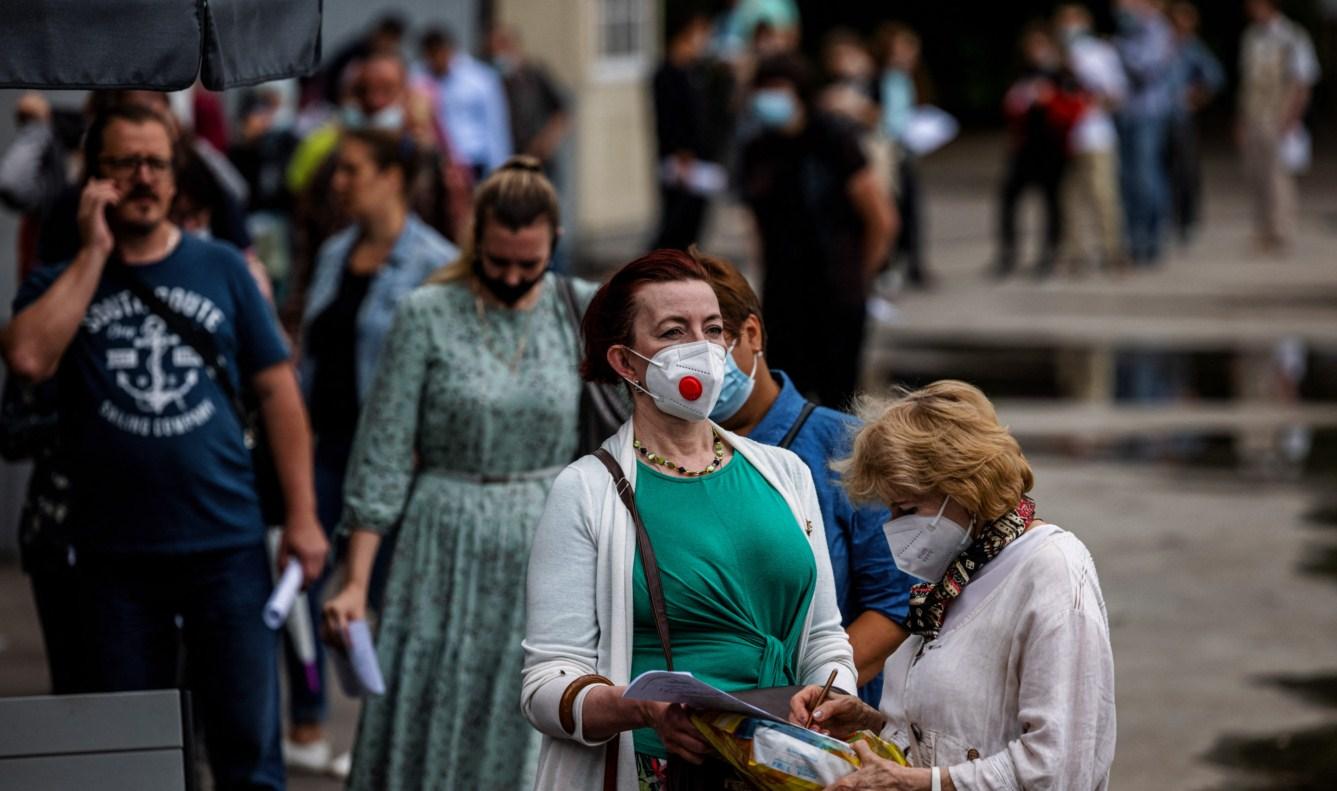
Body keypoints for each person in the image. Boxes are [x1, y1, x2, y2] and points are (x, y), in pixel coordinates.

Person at [0, 103, 328, 791]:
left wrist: (301, 516)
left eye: (157, 163)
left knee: (248, 755)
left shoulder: (224, 269)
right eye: (125, 164)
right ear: (97, 178)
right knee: (130, 759)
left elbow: (278, 395)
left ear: (178, 176)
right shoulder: (61, 278)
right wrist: (93, 252)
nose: (144, 178)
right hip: (111, 560)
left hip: (227, 547)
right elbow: (29, 356)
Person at [521, 248, 857, 790]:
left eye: (713, 328)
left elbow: (823, 637)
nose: (700, 349)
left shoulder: (786, 474)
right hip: (660, 773)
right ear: (626, 363)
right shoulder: (585, 490)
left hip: (782, 768)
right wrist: (642, 709)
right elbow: (546, 683)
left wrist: (833, 698)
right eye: (673, 332)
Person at [321, 157, 585, 790]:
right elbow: (382, 452)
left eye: (531, 263)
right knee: (436, 696)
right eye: (499, 262)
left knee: (535, 702)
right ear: (476, 241)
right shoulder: (425, 312)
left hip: (549, 537)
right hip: (443, 537)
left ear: (555, 242)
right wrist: (356, 582)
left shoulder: (581, 309)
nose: (515, 277)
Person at [791, 380, 1116, 790]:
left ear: (963, 487)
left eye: (907, 508)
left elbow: (1059, 767)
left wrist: (914, 783)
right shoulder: (954, 577)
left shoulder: (1050, 569)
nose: (893, 528)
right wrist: (869, 723)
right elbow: (958, 734)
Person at [283, 129, 457, 776]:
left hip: (392, 461)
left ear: (392, 177)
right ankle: (308, 717)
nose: (338, 181)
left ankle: (381, 731)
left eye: (352, 169)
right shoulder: (335, 251)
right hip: (324, 449)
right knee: (296, 582)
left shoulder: (436, 261)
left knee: (389, 599)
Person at [700, 250, 910, 707]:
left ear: (751, 334)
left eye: (708, 351)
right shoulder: (655, 455)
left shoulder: (844, 447)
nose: (693, 378)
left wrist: (802, 696)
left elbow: (895, 606)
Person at [738, 54, 896, 409]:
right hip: (783, 296)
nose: (768, 98)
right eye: (762, 89)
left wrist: (861, 274)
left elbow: (881, 218)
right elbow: (757, 227)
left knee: (837, 400)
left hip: (836, 292)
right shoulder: (758, 150)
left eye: (777, 88)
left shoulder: (834, 139)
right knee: (783, 401)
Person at [993, 23, 1085, 279]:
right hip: (1025, 148)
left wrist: (1050, 100)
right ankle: (1008, 254)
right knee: (1010, 198)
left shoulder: (1063, 76)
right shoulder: (1022, 74)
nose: (1035, 52)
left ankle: (1050, 256)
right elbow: (1010, 108)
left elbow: (1076, 110)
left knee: (1052, 203)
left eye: (1040, 46)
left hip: (1053, 149)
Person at [1237, 0, 1320, 253]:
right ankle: (1263, 228)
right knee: (1256, 174)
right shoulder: (1251, 36)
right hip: (1254, 114)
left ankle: (1281, 231)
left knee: (1278, 176)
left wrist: (1291, 119)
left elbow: (1303, 80)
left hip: (1278, 116)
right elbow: (1247, 82)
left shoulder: (1292, 36)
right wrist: (1241, 119)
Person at [1055, 4, 1130, 275]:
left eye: (1073, 20)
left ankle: (1113, 251)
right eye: (1064, 21)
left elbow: (1119, 93)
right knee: (1070, 199)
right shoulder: (1058, 55)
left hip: (1096, 136)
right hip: (1065, 138)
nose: (1068, 26)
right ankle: (1075, 253)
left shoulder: (1101, 52)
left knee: (1103, 196)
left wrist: (1095, 99)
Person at [651, 9, 724, 251]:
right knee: (675, 227)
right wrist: (681, 154)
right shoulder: (667, 73)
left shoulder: (697, 72)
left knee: (693, 228)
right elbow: (669, 119)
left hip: (700, 162)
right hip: (682, 163)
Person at [1113, 0, 1177, 266]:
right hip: (1124, 113)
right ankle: (1131, 238)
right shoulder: (1126, 32)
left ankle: (1151, 238)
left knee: (1146, 177)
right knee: (1126, 179)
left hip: (1148, 115)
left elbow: (1147, 71)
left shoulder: (1159, 31)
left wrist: (1119, 54)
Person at [875, 23, 932, 289]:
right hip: (887, 149)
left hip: (907, 147)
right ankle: (886, 265)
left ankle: (914, 265)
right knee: (890, 207)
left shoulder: (909, 78)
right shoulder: (881, 78)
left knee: (912, 207)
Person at [419, 26, 513, 180]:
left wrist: (500, 165)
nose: (435, 60)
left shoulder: (479, 78)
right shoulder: (420, 78)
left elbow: (495, 123)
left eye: (439, 53)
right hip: (438, 162)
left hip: (474, 159)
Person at [1166, 2, 1224, 245]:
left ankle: (1187, 220)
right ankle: (1165, 218)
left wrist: (1197, 97)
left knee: (1186, 171)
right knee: (1162, 170)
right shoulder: (1162, 45)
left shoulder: (1193, 49)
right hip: (1158, 117)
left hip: (1182, 117)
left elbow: (1215, 77)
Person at [487, 24, 571, 181]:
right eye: (493, 50)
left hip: (538, 162)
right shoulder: (491, 81)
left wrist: (546, 142)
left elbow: (562, 112)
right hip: (506, 163)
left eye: (502, 46)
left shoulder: (534, 74)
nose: (497, 54)